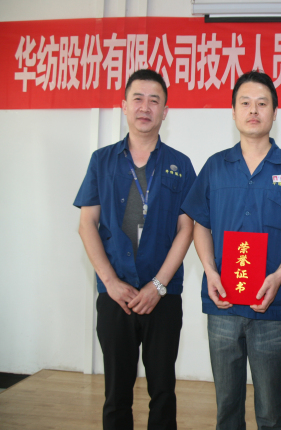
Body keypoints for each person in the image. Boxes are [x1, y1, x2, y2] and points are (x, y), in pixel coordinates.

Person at [181, 71, 281, 430]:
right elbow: (200, 223)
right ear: (233, 111)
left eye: (262, 103)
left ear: (275, 112)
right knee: (227, 408)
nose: (253, 110)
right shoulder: (215, 167)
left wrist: (279, 275)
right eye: (245, 103)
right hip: (223, 304)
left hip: (272, 306)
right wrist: (209, 271)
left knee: (271, 412)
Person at [74, 69, 195, 430]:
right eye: (137, 99)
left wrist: (158, 285)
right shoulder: (102, 161)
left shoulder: (180, 165)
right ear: (124, 106)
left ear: (165, 111)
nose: (145, 107)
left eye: (154, 101)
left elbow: (186, 229)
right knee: (116, 394)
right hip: (116, 296)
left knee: (163, 392)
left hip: (163, 296)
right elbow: (86, 224)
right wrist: (110, 282)